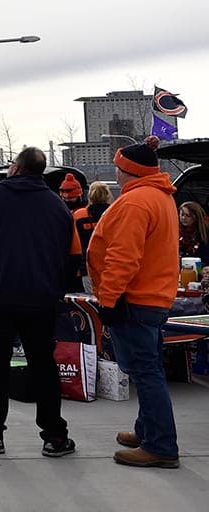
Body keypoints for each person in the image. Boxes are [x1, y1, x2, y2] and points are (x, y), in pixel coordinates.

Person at [0, 146, 79, 458]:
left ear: (17, 168)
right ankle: (54, 435)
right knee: (43, 365)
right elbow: (73, 255)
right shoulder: (57, 205)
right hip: (41, 299)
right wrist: (58, 289)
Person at [87, 136, 181, 469]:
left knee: (146, 373)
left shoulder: (136, 202)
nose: (116, 172)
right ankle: (147, 431)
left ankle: (161, 446)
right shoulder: (158, 197)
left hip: (135, 299)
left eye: (119, 167)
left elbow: (123, 257)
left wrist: (108, 299)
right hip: (152, 297)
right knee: (149, 368)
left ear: (128, 170)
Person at [73, 182, 113, 292]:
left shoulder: (79, 215)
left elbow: (74, 243)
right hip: (111, 266)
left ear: (90, 196)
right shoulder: (116, 213)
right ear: (108, 195)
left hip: (87, 266)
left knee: (91, 302)